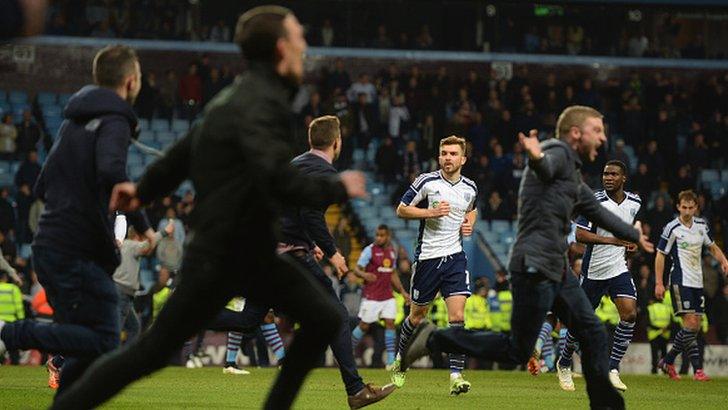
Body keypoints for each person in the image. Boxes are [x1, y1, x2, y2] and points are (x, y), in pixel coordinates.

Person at [39, 7, 370, 410]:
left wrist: (144, 190)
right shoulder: (260, 103)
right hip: (225, 251)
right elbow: (276, 177)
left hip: (244, 250)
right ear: (282, 48)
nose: (305, 46)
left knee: (325, 318)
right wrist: (338, 186)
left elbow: (184, 151)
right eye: (300, 37)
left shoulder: (235, 98)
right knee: (151, 353)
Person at [400, 106, 654, 410]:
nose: (603, 138)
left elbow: (594, 210)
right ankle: (434, 339)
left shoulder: (570, 173)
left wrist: (634, 235)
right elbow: (544, 167)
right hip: (534, 265)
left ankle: (607, 404)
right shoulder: (557, 153)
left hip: (555, 266)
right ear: (576, 133)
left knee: (592, 330)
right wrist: (536, 156)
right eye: (597, 131)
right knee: (518, 350)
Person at [0, 45, 150, 395]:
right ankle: (8, 333)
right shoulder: (115, 119)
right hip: (75, 251)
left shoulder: (72, 121)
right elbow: (113, 171)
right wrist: (143, 223)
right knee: (105, 337)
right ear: (130, 81)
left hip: (49, 246)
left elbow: (41, 186)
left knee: (88, 343)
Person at [390, 135, 478, 396]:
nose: (447, 158)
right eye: (443, 153)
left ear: (463, 159)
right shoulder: (426, 182)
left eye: (452, 154)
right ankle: (399, 362)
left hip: (455, 258)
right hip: (427, 258)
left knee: (457, 317)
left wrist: (470, 222)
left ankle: (455, 376)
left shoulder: (470, 187)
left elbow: (471, 208)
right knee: (417, 317)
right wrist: (430, 212)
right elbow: (402, 209)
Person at [556, 160, 642, 392]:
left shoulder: (635, 202)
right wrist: (613, 240)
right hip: (594, 271)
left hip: (618, 268)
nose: (608, 177)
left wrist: (631, 242)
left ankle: (612, 369)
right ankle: (564, 363)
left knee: (630, 313)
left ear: (623, 178)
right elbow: (581, 235)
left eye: (613, 174)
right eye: (605, 174)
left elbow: (630, 225)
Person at [654, 189, 728, 381]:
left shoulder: (701, 226)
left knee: (693, 328)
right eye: (683, 207)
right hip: (680, 280)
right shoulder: (672, 228)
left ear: (696, 208)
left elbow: (711, 246)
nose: (687, 211)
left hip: (697, 282)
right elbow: (660, 254)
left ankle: (668, 361)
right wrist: (659, 283)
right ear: (678, 207)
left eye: (690, 207)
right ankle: (696, 370)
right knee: (691, 323)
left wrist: (723, 260)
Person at [351, 224, 410, 369]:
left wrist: (402, 291)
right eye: (377, 235)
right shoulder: (369, 250)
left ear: (388, 236)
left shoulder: (391, 252)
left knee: (390, 323)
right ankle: (345, 352)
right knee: (364, 326)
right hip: (371, 295)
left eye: (381, 235)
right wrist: (365, 274)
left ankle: (390, 362)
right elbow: (356, 269)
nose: (378, 238)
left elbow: (393, 273)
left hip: (387, 295)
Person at [0, 270, 24, 364]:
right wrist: (21, 319)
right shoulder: (13, 289)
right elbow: (19, 306)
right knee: (12, 345)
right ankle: (15, 363)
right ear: (6, 278)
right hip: (11, 321)